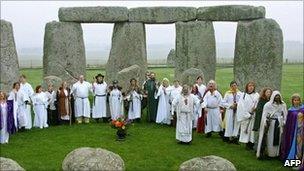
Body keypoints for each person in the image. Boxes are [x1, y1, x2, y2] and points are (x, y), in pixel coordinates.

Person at [256, 91, 287, 159]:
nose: (277, 98)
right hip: (271, 124)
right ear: (273, 97)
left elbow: (285, 115)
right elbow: (264, 115)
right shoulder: (268, 105)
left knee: (279, 138)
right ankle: (269, 153)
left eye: (278, 96)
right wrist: (265, 122)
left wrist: (283, 122)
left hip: (279, 123)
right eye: (276, 96)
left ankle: (277, 154)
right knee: (270, 138)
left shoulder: (283, 104)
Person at [280, 93, 304, 168]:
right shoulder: (290, 111)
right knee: (295, 145)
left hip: (302, 131)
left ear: (300, 101)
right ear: (292, 101)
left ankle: (300, 161)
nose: (296, 101)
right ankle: (293, 161)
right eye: (295, 100)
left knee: (301, 146)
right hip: (294, 132)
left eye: (298, 100)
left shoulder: (303, 108)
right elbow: (288, 123)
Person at [236, 81, 259, 150]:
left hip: (254, 115)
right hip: (246, 115)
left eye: (252, 86)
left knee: (252, 131)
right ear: (247, 87)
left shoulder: (257, 95)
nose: (251, 87)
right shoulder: (243, 95)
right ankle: (247, 144)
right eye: (249, 86)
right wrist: (247, 115)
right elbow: (241, 106)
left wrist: (255, 109)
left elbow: (258, 104)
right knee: (246, 130)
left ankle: (251, 144)